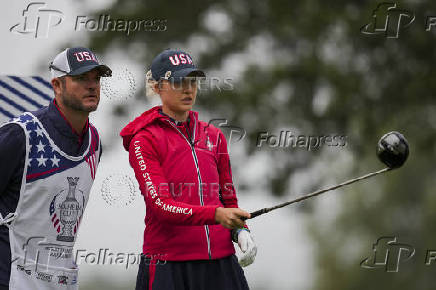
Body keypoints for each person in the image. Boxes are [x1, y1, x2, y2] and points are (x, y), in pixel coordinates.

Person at [120, 49, 257, 290]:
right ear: (158, 87)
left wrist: (240, 230)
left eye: (192, 81)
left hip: (221, 263)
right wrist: (215, 215)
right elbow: (161, 205)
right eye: (177, 81)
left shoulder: (214, 135)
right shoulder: (144, 140)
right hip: (168, 266)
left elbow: (227, 198)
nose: (188, 88)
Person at [0, 47, 111, 290]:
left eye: (96, 78)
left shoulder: (94, 142)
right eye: (82, 78)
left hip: (60, 280)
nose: (92, 85)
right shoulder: (20, 134)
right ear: (57, 85)